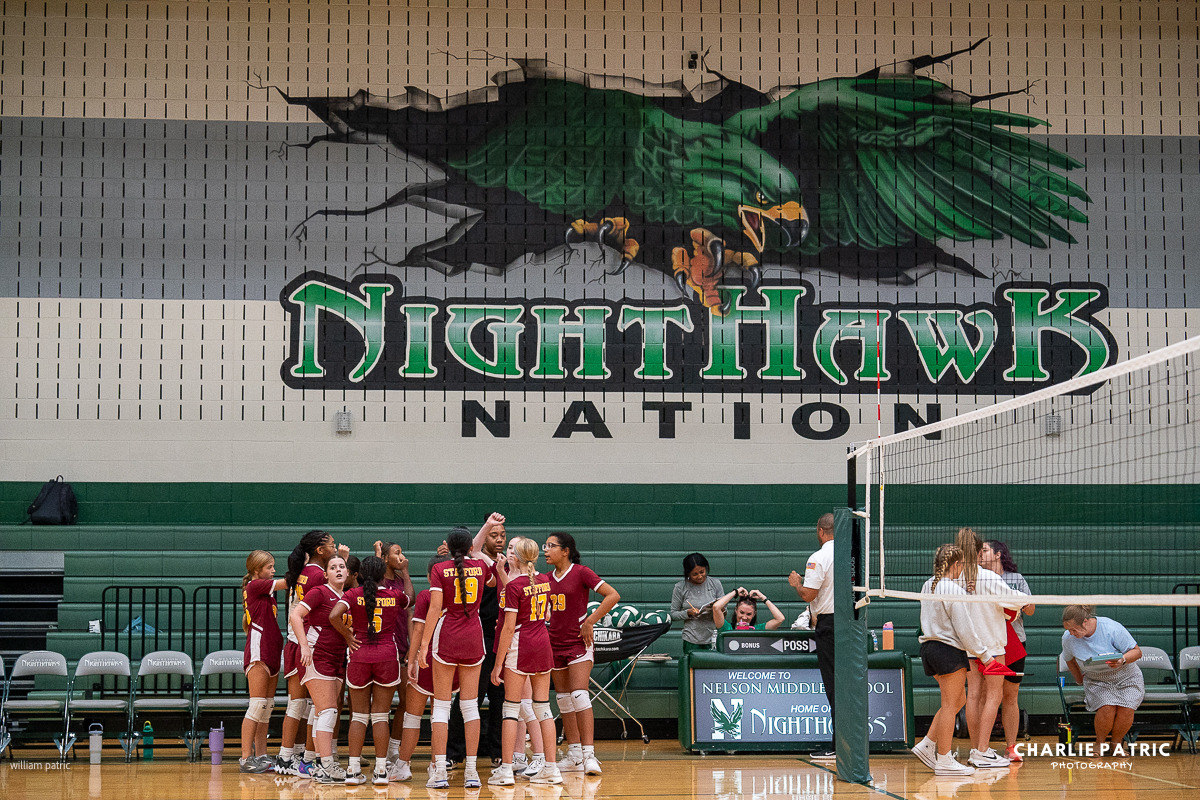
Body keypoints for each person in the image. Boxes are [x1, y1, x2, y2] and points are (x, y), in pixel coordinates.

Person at [416, 517, 505, 790]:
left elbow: (434, 609)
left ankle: (440, 771)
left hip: (447, 638)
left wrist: (423, 646)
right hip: (474, 639)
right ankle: (471, 772)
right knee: (470, 707)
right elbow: (492, 577)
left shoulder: (440, 569)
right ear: (470, 547)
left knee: (442, 707)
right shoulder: (480, 565)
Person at [913, 544, 1008, 775]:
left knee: (958, 700)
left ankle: (927, 744)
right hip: (947, 651)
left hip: (928, 649)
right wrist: (986, 657)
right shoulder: (950, 589)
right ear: (956, 565)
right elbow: (965, 629)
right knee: (950, 705)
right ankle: (944, 760)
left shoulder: (930, 584)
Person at [329, 555, 410, 786]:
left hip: (359, 656)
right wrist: (405, 572)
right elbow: (410, 599)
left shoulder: (353, 594)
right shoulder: (394, 595)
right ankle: (381, 771)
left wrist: (348, 636)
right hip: (386, 657)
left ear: (362, 574)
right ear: (383, 574)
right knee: (381, 716)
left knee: (359, 716)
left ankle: (353, 770)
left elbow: (334, 615)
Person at [544, 531, 620, 775]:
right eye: (545, 546)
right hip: (554, 644)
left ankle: (589, 755)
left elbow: (613, 595)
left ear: (565, 551)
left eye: (551, 546)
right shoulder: (546, 578)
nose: (546, 550)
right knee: (563, 700)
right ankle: (574, 754)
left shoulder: (581, 572)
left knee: (579, 695)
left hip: (578, 644)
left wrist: (590, 621)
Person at [488, 537, 562, 786]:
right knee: (543, 708)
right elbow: (549, 614)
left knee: (510, 708)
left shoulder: (513, 586)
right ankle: (551, 768)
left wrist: (498, 664)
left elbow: (508, 628)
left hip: (522, 645)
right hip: (543, 643)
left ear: (516, 558)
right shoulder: (545, 580)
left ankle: (507, 770)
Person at [954, 527, 1027, 768]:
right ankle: (982, 752)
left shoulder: (956, 577)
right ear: (977, 552)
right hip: (993, 647)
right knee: (994, 697)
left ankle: (976, 748)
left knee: (973, 696)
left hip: (968, 646)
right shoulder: (989, 578)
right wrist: (1011, 607)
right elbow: (1018, 603)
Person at [276, 530, 346, 776]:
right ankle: (299, 758)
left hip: (298, 641)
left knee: (303, 706)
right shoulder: (318, 575)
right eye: (331, 544)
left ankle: (297, 757)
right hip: (305, 642)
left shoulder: (305, 571)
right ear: (320, 550)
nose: (335, 547)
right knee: (309, 706)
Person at [445, 515, 508, 770]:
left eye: (502, 535)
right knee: (468, 698)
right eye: (495, 535)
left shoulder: (507, 565)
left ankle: (498, 751)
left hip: (501, 639)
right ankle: (453, 752)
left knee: (500, 699)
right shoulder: (476, 563)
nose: (500, 539)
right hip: (477, 638)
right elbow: (476, 548)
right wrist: (487, 526)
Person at [395, 558, 459, 783]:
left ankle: (403, 765)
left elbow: (418, 631)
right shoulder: (459, 598)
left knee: (412, 717)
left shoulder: (425, 596)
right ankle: (436, 765)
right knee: (439, 717)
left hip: (427, 659)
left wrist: (410, 661)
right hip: (451, 661)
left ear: (432, 576)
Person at [289, 555, 352, 783]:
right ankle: (326, 766)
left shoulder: (346, 597)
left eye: (341, 567)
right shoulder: (319, 592)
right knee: (327, 711)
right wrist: (304, 645)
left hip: (336, 658)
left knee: (323, 712)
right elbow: (295, 615)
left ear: (347, 573)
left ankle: (316, 763)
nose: (337, 570)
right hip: (316, 654)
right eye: (333, 567)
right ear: (325, 574)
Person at [1061, 605, 1144, 754]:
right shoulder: (1068, 639)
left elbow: (1137, 652)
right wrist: (1079, 679)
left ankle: (1116, 744)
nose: (1071, 633)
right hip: (1096, 679)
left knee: (1127, 707)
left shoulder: (1111, 628)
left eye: (1074, 630)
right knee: (1107, 707)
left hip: (1126, 675)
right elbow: (1069, 660)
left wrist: (1122, 660)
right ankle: (1100, 743)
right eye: (1068, 630)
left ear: (1085, 621)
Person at [980, 540, 1035, 762]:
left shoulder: (1016, 579)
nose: (980, 555)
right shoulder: (978, 580)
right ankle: (981, 747)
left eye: (984, 551)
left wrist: (1016, 602)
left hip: (1015, 642)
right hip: (988, 644)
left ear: (997, 554)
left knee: (1010, 696)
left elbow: (1031, 610)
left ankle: (1011, 746)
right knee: (986, 695)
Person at [787, 512, 836, 759]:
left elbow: (809, 595)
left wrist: (796, 583)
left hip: (830, 625)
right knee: (847, 685)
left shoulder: (819, 557)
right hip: (852, 624)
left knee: (833, 686)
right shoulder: (852, 555)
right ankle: (849, 742)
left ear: (820, 531)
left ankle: (838, 745)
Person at [239, 550, 287, 773]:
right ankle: (245, 757)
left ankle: (262, 755)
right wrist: (305, 566)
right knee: (257, 705)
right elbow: (288, 582)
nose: (273, 570)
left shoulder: (267, 593)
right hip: (259, 652)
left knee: (266, 708)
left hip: (272, 650)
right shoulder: (256, 586)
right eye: (269, 567)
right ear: (257, 570)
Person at [373, 540, 415, 777]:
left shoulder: (401, 581)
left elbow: (410, 607)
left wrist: (411, 646)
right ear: (386, 558)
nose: (402, 556)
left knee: (407, 702)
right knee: (382, 706)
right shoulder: (379, 581)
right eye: (397, 553)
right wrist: (378, 556)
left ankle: (393, 749)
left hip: (401, 645)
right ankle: (380, 754)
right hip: (382, 648)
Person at [670, 553, 724, 652]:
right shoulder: (680, 587)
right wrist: (687, 613)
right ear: (688, 573)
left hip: (712, 637)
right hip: (691, 638)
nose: (699, 576)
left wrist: (719, 609)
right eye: (695, 574)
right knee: (692, 666)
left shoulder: (715, 584)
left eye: (702, 572)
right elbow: (673, 614)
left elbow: (725, 612)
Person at [713, 588, 785, 631]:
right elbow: (716, 607)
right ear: (736, 610)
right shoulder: (727, 628)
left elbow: (780, 619)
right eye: (741, 612)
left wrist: (763, 598)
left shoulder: (758, 630)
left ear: (754, 614)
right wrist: (735, 592)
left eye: (749, 614)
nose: (744, 617)